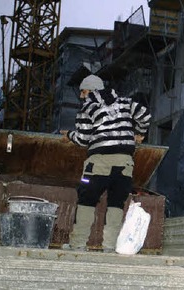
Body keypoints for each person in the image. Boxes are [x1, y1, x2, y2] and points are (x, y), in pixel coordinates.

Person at [61, 74, 151, 251]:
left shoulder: (87, 107)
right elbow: (145, 116)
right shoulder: (125, 102)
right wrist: (138, 134)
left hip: (98, 163)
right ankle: (109, 247)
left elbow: (83, 139)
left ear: (91, 91)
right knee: (116, 203)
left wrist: (68, 135)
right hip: (125, 163)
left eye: (83, 92)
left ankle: (78, 245)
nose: (81, 96)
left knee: (86, 200)